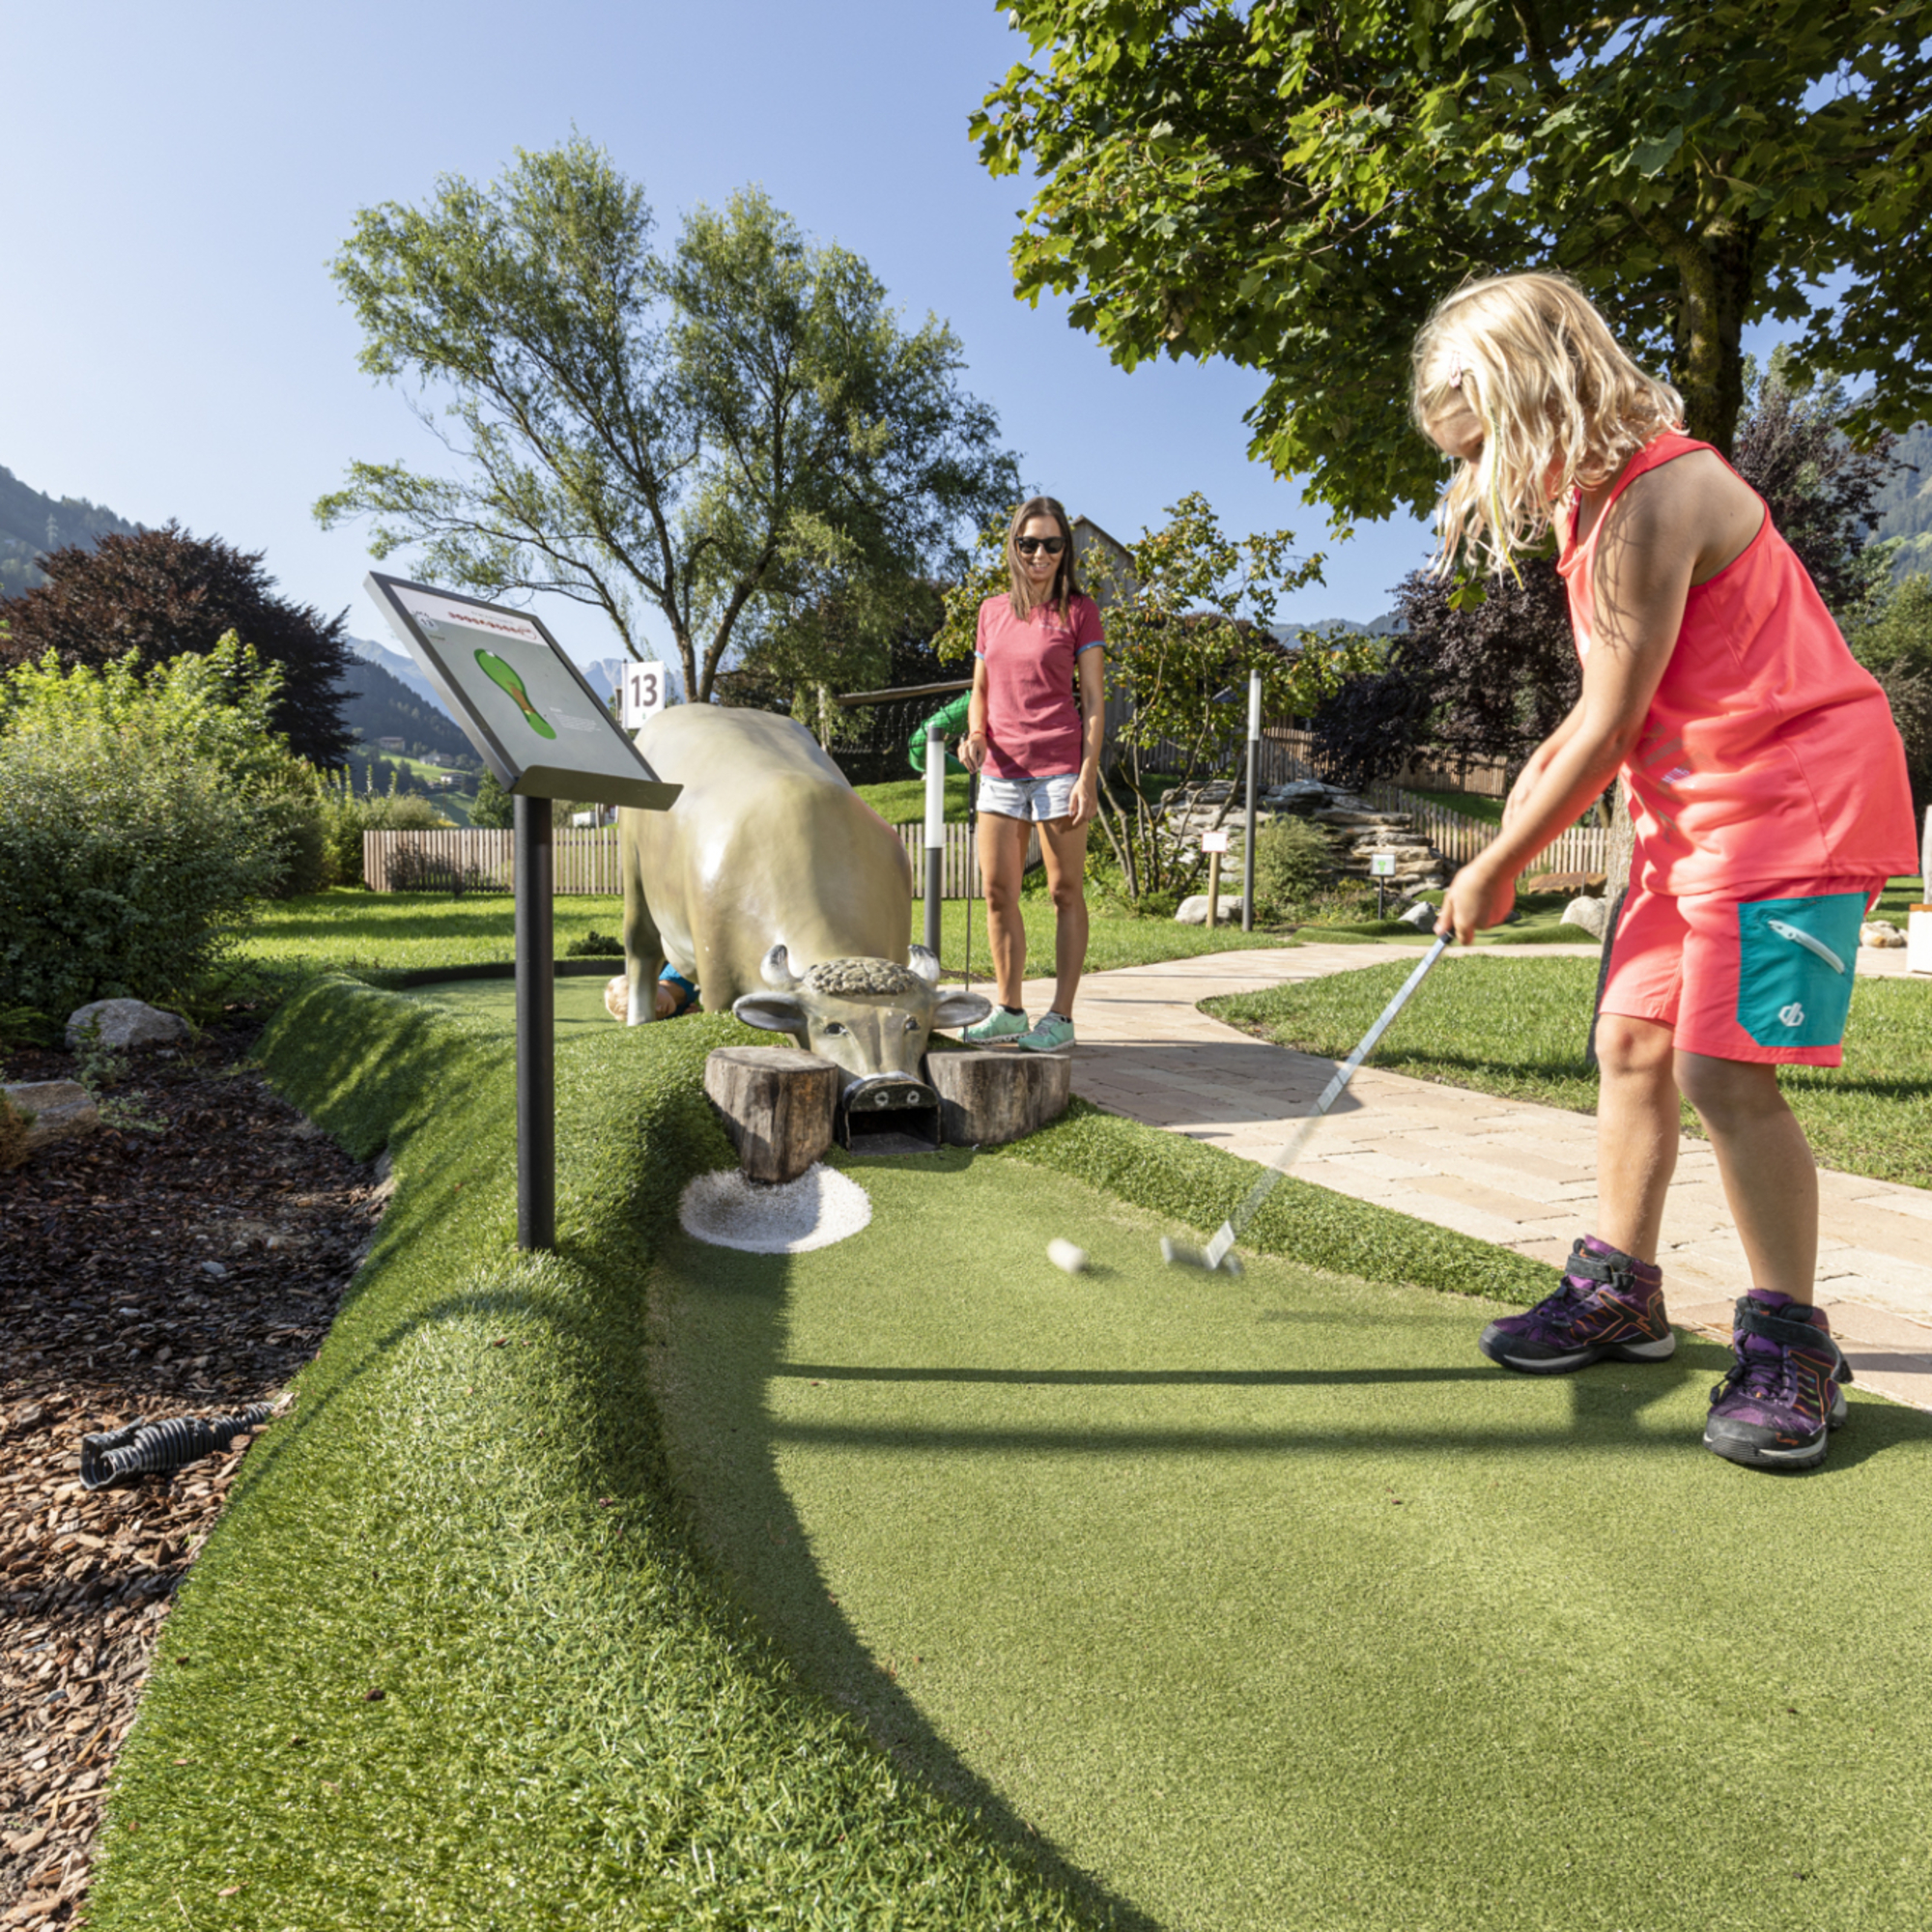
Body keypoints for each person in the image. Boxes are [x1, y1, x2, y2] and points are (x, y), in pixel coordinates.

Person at [1415, 272, 1917, 1473]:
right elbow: (1601, 707)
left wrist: (1495, 864)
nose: (1479, 476)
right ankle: (1620, 1289)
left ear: (1533, 399)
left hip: (1794, 799)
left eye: (1482, 443)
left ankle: (1789, 1338)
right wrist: (1549, 751)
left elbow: (1605, 728)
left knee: (1719, 1068)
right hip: (1692, 805)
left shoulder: (1656, 495)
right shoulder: (1586, 514)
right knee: (1629, 1041)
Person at [957, 497, 1107, 1052]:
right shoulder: (991, 610)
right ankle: (1010, 1009)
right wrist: (975, 734)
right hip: (999, 767)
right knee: (998, 892)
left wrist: (1087, 775)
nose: (1039, 554)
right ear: (1014, 548)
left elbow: (1092, 700)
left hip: (1058, 767)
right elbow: (980, 690)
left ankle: (1061, 1018)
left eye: (1051, 544)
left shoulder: (1079, 610)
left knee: (1064, 891)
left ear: (1065, 550)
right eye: (1029, 543)